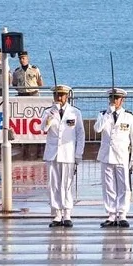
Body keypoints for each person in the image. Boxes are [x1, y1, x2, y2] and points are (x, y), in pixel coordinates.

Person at [94, 87, 133, 228]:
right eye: (112, 98)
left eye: (117, 98)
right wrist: (108, 114)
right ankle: (111, 214)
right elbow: (97, 129)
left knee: (124, 186)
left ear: (122, 100)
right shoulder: (103, 114)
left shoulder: (129, 117)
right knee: (108, 186)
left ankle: (122, 214)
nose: (114, 101)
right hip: (107, 155)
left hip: (122, 156)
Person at [42, 85, 84, 228]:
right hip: (52, 153)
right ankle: (57, 214)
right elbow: (43, 129)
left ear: (67, 96)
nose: (59, 98)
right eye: (56, 95)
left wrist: (79, 153)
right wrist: (49, 118)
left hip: (68, 153)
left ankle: (67, 213)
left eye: (61, 95)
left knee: (66, 185)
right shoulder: (48, 112)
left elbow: (80, 134)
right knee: (53, 185)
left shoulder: (75, 112)